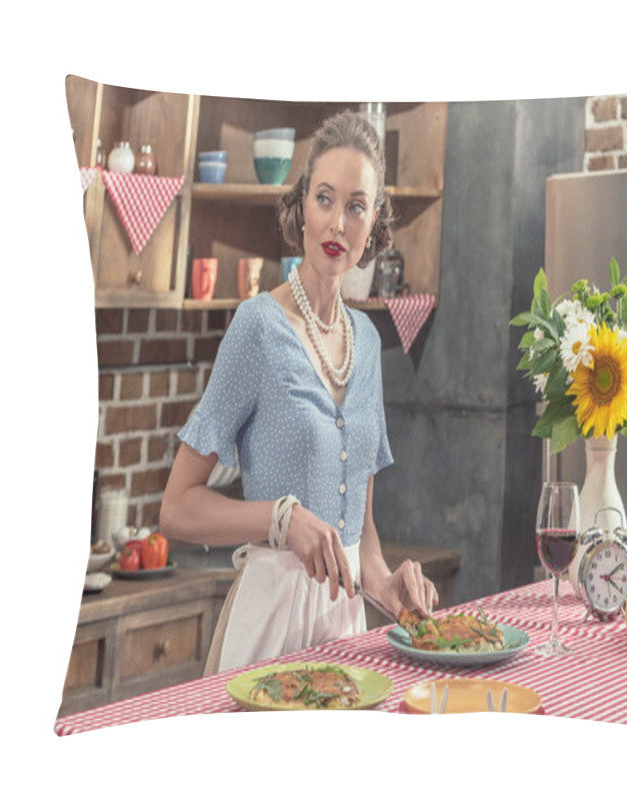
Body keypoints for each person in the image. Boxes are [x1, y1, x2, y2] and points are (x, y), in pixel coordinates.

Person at [160, 110, 437, 674]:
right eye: (326, 199)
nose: (338, 223)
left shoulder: (365, 340)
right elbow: (176, 508)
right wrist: (280, 517)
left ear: (373, 221)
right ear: (302, 205)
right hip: (269, 624)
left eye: (356, 206)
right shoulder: (257, 328)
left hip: (344, 632)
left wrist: (388, 585)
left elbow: (362, 536)